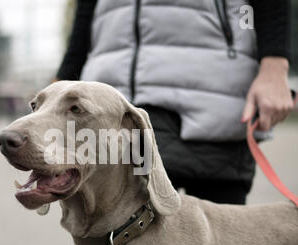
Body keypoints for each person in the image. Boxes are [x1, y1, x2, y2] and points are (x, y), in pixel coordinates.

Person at [56, 0, 294, 205]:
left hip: (213, 97)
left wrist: (274, 65)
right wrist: (64, 81)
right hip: (115, 106)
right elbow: (86, 9)